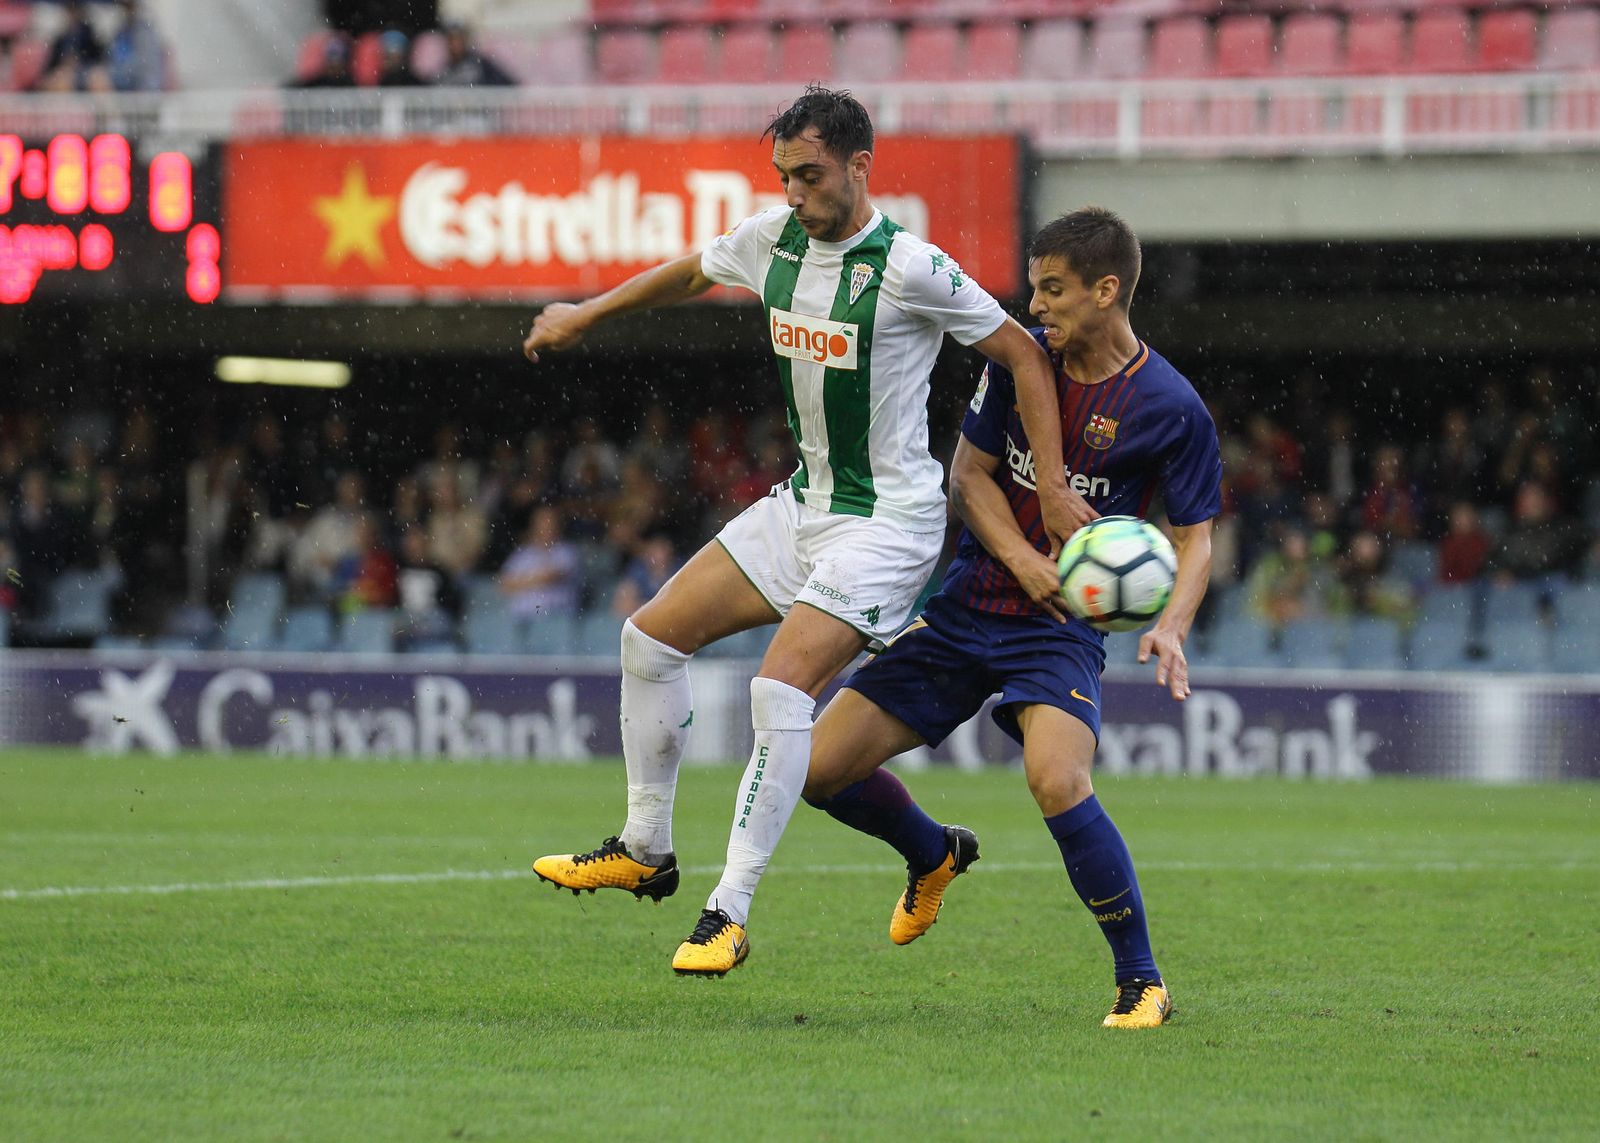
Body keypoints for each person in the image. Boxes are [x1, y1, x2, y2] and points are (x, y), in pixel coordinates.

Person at [523, 86, 1088, 976]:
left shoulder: (910, 265)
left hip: (889, 525)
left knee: (777, 692)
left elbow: (1021, 351)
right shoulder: (772, 239)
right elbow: (691, 270)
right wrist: (586, 315)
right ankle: (645, 847)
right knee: (647, 641)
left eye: (810, 174)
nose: (793, 192)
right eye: (784, 175)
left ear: (861, 167)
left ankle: (728, 911)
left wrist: (1051, 487)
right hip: (805, 506)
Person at [798, 208, 1222, 1028]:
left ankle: (1142, 980)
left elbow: (1195, 537)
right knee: (815, 770)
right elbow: (972, 476)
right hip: (968, 604)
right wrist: (1026, 561)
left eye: (1054, 289)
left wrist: (1171, 622)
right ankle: (932, 851)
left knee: (1057, 778)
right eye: (1034, 287)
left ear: (1107, 291)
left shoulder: (1171, 406)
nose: (1038, 305)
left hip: (1059, 627)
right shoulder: (1024, 363)